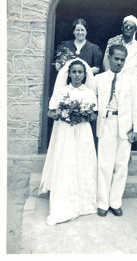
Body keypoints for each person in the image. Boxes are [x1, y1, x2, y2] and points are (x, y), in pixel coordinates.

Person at [38, 59, 97, 225]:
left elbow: (94, 115)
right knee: (66, 162)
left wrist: (84, 114)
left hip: (83, 132)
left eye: (80, 72)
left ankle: (83, 203)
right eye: (74, 72)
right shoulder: (62, 91)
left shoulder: (90, 93)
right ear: (69, 74)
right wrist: (61, 114)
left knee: (81, 162)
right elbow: (50, 112)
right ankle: (64, 202)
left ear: (85, 74)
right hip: (64, 131)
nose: (77, 75)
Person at [95, 44, 137, 217]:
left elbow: (135, 105)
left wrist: (136, 128)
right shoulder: (99, 79)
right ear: (109, 57)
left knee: (121, 165)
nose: (119, 63)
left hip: (125, 127)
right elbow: (91, 101)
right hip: (107, 123)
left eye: (122, 60)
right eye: (116, 59)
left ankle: (115, 202)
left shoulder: (130, 80)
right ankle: (102, 202)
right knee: (104, 165)